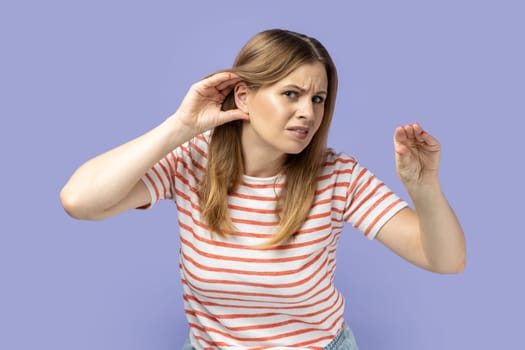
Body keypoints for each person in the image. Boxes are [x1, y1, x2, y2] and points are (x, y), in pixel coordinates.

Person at [60, 29, 466, 349]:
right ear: (244, 96)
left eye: (319, 98)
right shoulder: (190, 162)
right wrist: (178, 128)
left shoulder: (338, 176)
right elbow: (79, 201)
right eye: (291, 94)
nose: (308, 112)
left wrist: (424, 186)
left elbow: (445, 260)